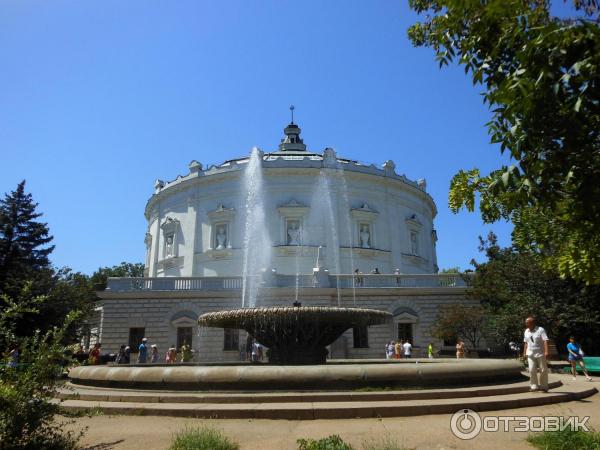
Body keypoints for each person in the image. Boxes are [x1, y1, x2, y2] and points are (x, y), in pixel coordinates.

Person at [523, 316, 550, 392]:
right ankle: (534, 386)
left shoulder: (540, 330)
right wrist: (524, 353)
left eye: (527, 323)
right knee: (531, 369)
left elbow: (545, 340)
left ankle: (544, 387)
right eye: (526, 323)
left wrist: (546, 351)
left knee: (543, 370)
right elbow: (526, 343)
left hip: (540, 353)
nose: (526, 324)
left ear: (532, 323)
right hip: (530, 353)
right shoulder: (526, 331)